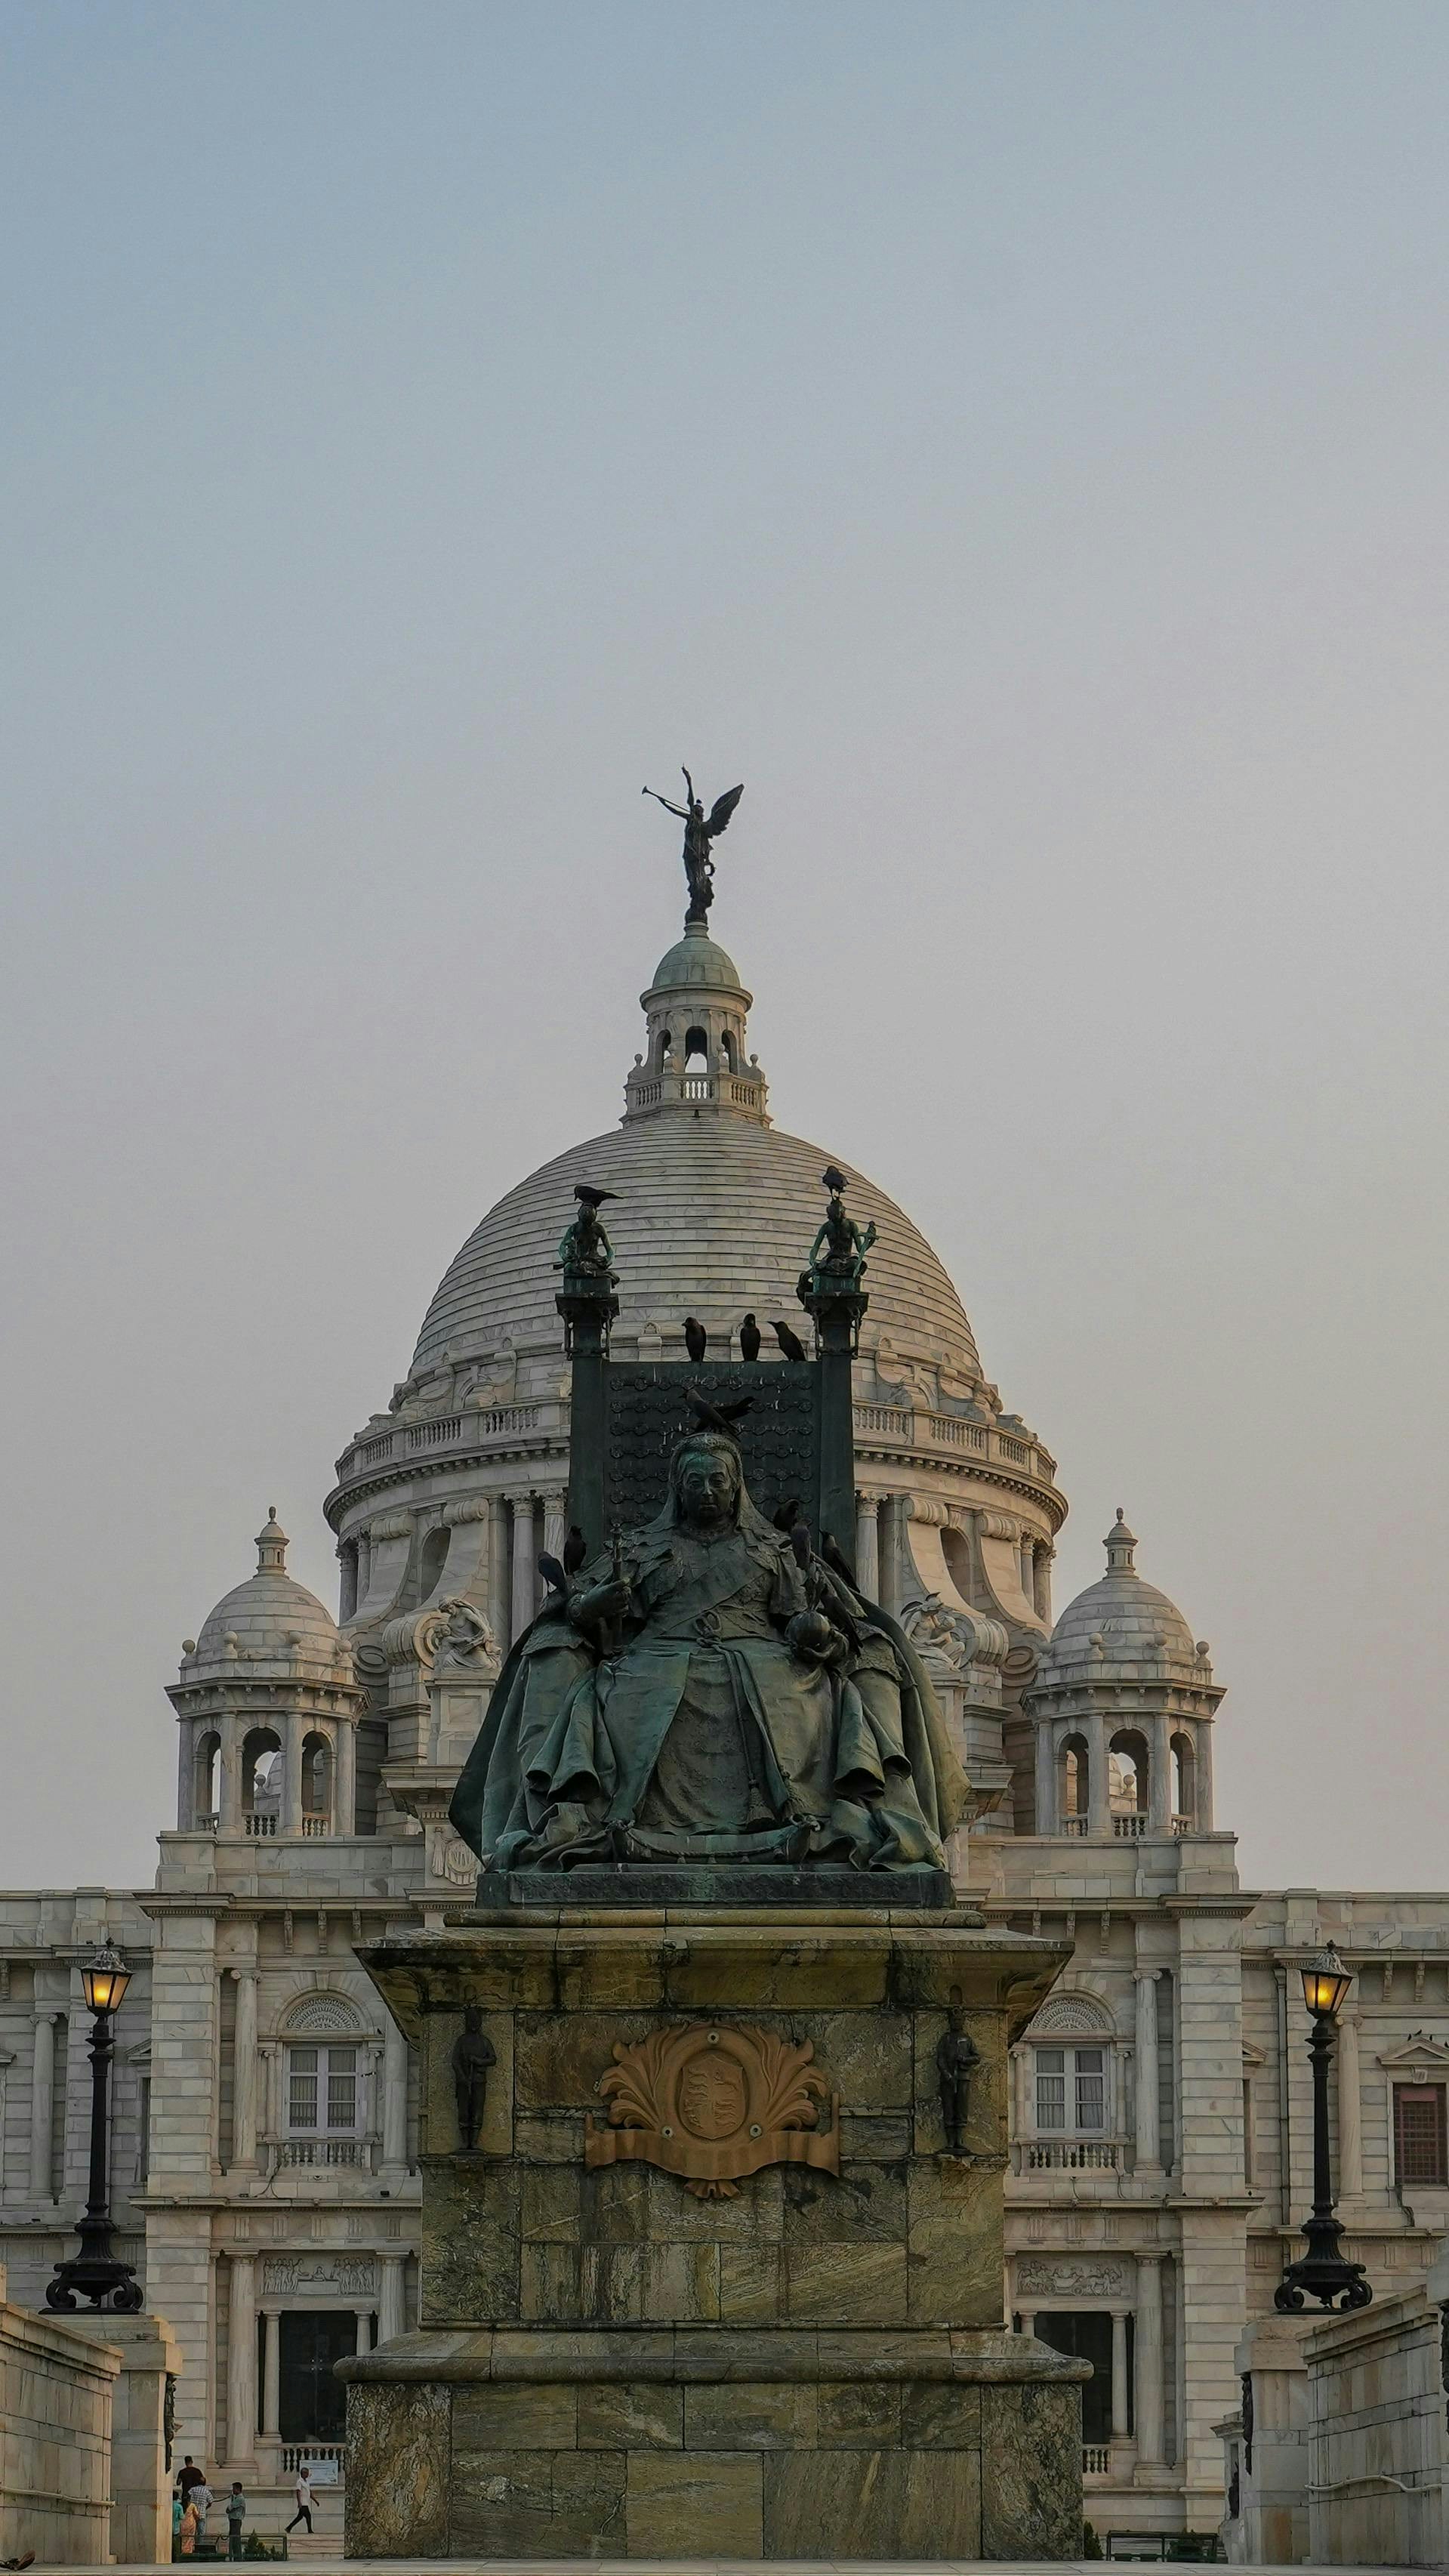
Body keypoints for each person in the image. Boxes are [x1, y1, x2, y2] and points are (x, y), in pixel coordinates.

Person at [449, 1422, 967, 1874]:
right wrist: (594, 1604)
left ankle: (822, 1815)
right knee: (623, 1689)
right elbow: (571, 1611)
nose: (706, 1490)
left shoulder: (773, 1550)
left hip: (764, 1659)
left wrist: (817, 1635)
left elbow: (807, 1624)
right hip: (652, 1659)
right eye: (694, 1481)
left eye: (717, 1479)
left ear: (736, 1485)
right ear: (677, 1487)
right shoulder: (637, 1548)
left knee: (802, 1691)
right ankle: (572, 1819)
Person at [285, 2465, 314, 2535]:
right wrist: (299, 2503)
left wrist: (315, 2501)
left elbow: (309, 2492)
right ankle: (310, 2530)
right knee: (308, 2516)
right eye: (306, 2473)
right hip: (303, 2502)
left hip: (306, 2502)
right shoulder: (299, 2481)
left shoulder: (306, 2482)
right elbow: (298, 2492)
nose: (308, 2474)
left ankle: (289, 2528)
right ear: (303, 2473)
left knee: (299, 2517)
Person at [224, 2482, 248, 2560]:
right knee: (233, 2539)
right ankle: (235, 2556)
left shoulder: (240, 2499)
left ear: (238, 2489)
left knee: (235, 2540)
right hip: (234, 2521)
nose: (233, 2490)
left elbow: (229, 2509)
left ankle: (237, 2557)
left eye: (234, 2488)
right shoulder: (236, 2498)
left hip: (236, 2521)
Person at [190, 2476, 214, 2543]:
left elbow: (187, 2497)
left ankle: (191, 2547)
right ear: (205, 2483)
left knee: (192, 2532)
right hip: (202, 2514)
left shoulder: (193, 2489)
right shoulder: (207, 2491)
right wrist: (205, 2508)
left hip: (192, 2514)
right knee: (201, 2533)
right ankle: (199, 2548)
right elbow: (211, 2501)